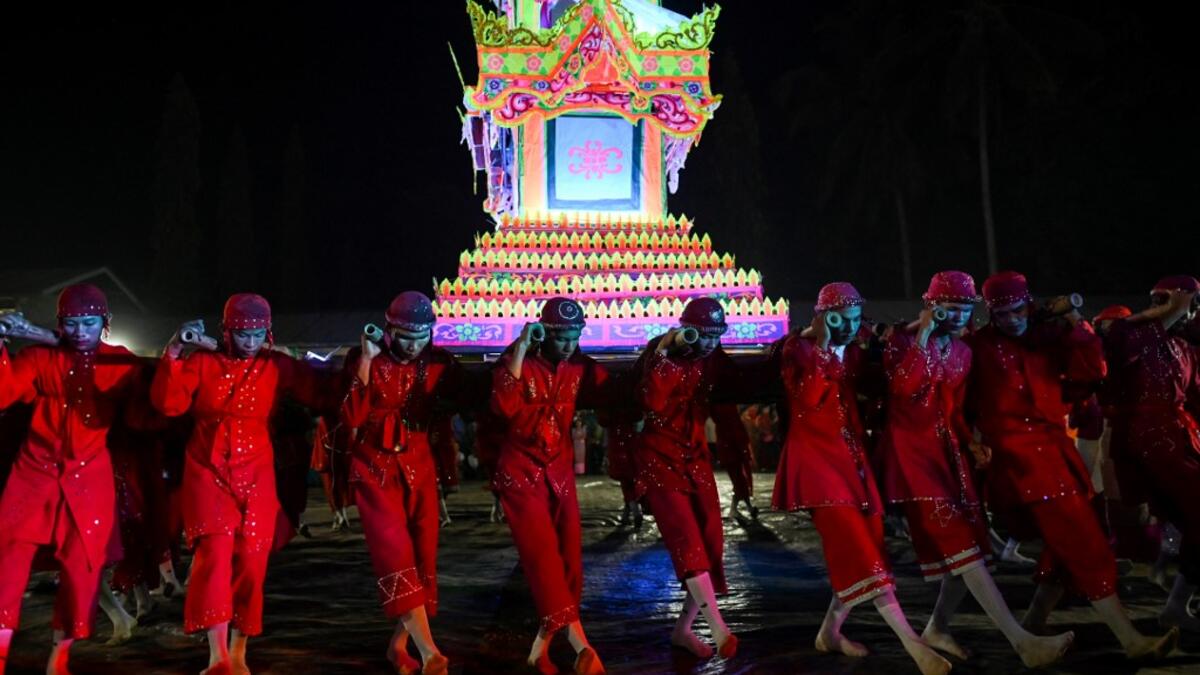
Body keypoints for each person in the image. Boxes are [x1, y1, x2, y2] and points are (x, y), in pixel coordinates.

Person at [967, 271, 1177, 658]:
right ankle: (1130, 640)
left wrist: (1075, 324)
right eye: (1002, 314)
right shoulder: (977, 347)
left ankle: (1033, 621)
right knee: (1084, 544)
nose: (1011, 320)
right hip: (1023, 465)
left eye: (1017, 311)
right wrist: (971, 443)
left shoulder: (1047, 339)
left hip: (1055, 456)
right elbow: (955, 403)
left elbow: (1092, 373)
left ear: (1028, 305)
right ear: (989, 314)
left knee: (1075, 540)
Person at [880, 271, 1072, 667]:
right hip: (914, 459)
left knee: (973, 551)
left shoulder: (963, 352)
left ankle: (937, 627)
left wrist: (970, 442)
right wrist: (920, 337)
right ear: (930, 306)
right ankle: (1021, 642)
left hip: (949, 455)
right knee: (963, 548)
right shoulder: (899, 343)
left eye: (965, 310)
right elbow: (903, 388)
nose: (958, 318)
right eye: (949, 310)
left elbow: (954, 408)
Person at [772, 282, 951, 675]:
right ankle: (915, 647)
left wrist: (914, 332)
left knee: (868, 550)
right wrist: (821, 346)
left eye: (856, 320)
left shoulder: (853, 351)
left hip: (853, 466)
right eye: (844, 320)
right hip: (818, 470)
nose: (851, 328)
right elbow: (807, 399)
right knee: (864, 556)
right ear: (824, 318)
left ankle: (829, 632)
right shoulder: (795, 350)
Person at [151, 293, 335, 675]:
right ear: (226, 331)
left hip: (257, 472)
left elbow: (322, 392)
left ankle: (239, 652)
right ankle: (217, 656)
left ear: (267, 333)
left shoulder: (277, 365)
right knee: (214, 558)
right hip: (207, 468)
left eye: (256, 334)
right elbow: (169, 404)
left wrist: (364, 363)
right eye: (241, 334)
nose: (249, 343)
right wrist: (171, 354)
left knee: (252, 561)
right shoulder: (202, 361)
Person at [0, 284, 147, 674]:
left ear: (105, 323)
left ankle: (59, 660)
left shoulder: (122, 363)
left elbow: (150, 409)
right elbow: (3, 393)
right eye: (72, 324)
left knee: (83, 568)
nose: (81, 332)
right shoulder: (37, 356)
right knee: (7, 562)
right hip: (34, 471)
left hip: (89, 477)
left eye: (89, 323)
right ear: (60, 324)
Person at [340, 291, 456, 674]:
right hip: (374, 469)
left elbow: (474, 394)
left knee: (423, 554)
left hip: (419, 467)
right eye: (405, 336)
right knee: (395, 553)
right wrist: (368, 362)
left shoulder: (438, 364)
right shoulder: (362, 360)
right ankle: (429, 652)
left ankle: (399, 645)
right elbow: (352, 418)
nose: (413, 345)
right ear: (388, 330)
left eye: (421, 336)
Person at [490, 298, 607, 674]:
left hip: (558, 474)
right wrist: (521, 348)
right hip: (520, 475)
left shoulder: (579, 367)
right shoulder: (516, 362)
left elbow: (620, 391)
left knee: (570, 560)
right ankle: (580, 647)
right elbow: (504, 407)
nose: (569, 345)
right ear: (543, 334)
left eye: (575, 337)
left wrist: (663, 351)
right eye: (562, 338)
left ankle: (538, 651)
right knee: (542, 558)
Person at [633, 298, 741, 659]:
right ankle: (717, 627)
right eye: (704, 335)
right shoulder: (658, 352)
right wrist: (665, 352)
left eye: (716, 336)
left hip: (695, 460)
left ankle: (682, 629)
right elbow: (653, 401)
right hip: (658, 459)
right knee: (686, 539)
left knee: (711, 540)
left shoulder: (712, 359)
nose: (709, 343)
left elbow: (746, 378)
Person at [1104, 275, 1200, 632]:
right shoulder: (1134, 336)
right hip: (1148, 442)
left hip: (1181, 437)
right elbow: (1116, 342)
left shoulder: (1185, 347)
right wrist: (1171, 309)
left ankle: (1176, 601)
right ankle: (1172, 597)